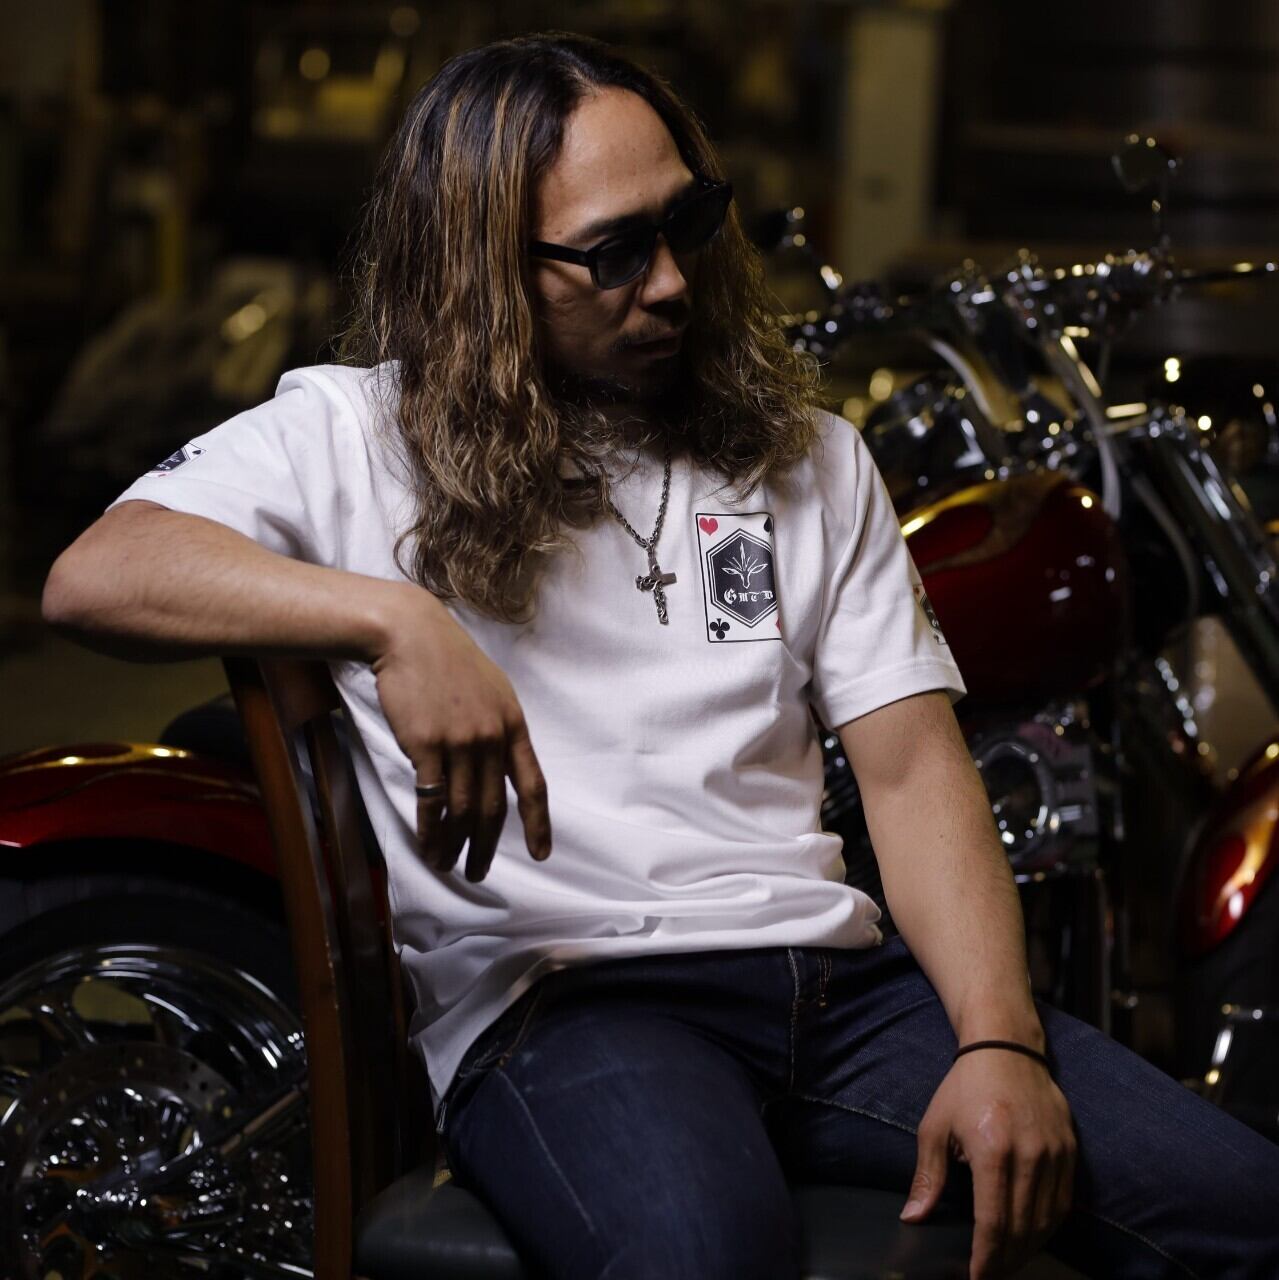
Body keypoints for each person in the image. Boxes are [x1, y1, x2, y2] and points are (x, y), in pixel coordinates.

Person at [42, 31, 1279, 1280]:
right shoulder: (352, 434)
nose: (675, 281)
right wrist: (391, 618)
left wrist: (996, 1041)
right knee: (702, 1254)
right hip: (571, 1004)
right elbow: (96, 572)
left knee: (1246, 1201)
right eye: (615, 251)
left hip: (839, 994)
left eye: (688, 223)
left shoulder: (809, 455)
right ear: (480, 267)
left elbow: (910, 771)